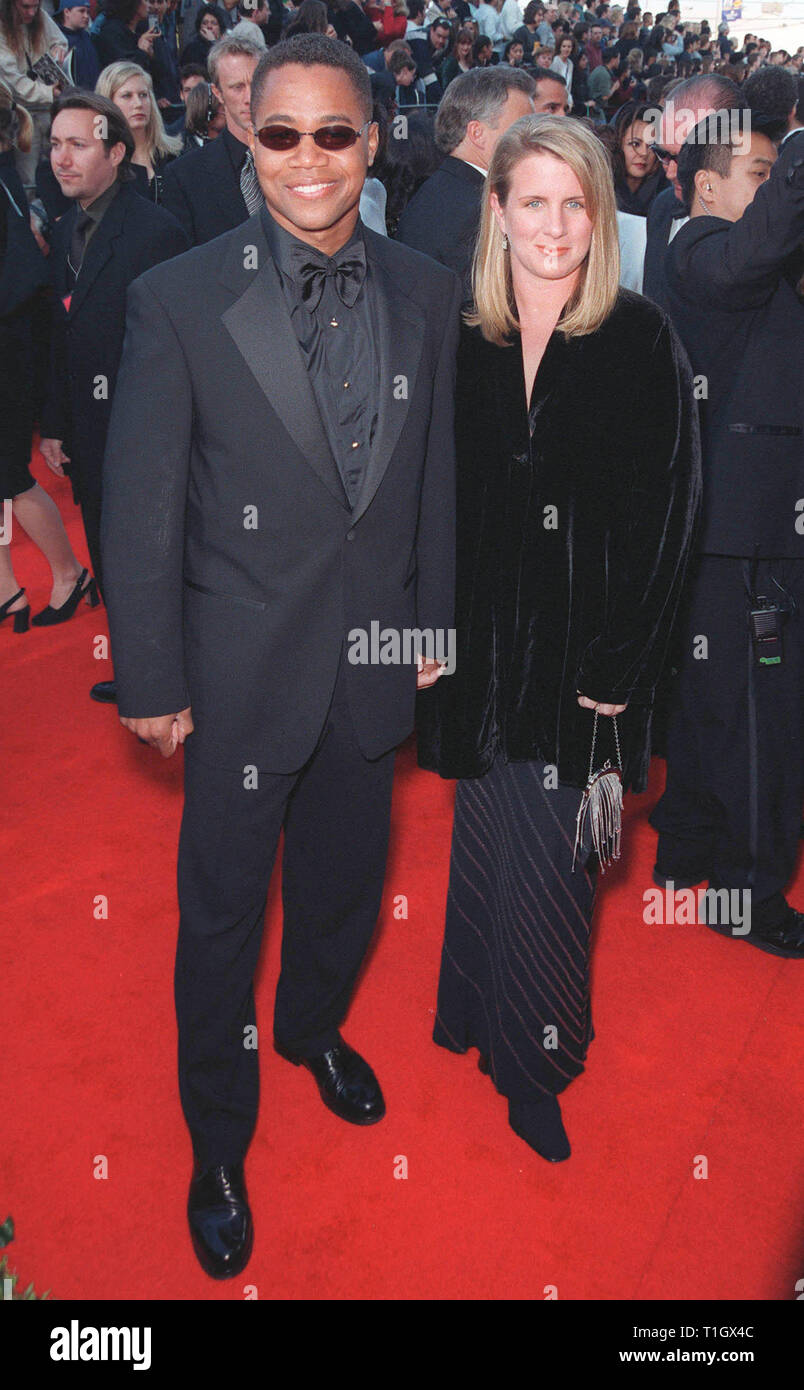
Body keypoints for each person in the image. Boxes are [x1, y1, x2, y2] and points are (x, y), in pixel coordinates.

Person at [100, 31, 462, 1279]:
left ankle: (311, 1032)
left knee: (349, 893)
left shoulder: (424, 285)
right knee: (219, 921)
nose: (309, 161)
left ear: (375, 142)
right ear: (247, 139)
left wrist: (432, 627)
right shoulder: (180, 295)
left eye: (336, 134)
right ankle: (218, 1139)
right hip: (240, 673)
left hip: (371, 666)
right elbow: (138, 504)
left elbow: (437, 484)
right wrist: (148, 677)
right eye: (281, 134)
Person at [415, 112, 701, 1162]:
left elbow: (671, 513)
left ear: (601, 215)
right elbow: (424, 501)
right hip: (481, 655)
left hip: (586, 669)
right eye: (530, 201)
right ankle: (470, 1014)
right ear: (495, 210)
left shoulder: (639, 337)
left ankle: (535, 1064)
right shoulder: (459, 337)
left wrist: (622, 672)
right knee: (486, 838)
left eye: (573, 203)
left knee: (558, 866)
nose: (552, 224)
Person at [650, 113, 804, 958]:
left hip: (747, 536)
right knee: (761, 720)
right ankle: (749, 896)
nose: (775, 190)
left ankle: (688, 851)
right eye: (760, 173)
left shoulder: (755, 265)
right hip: (747, 540)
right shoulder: (700, 244)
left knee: (712, 707)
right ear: (708, 185)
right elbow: (763, 239)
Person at [38, 92, 187, 688]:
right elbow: (58, 334)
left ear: (116, 151)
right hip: (87, 434)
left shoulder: (157, 232)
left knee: (154, 556)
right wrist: (54, 423)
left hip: (145, 433)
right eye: (53, 144)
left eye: (77, 145)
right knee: (105, 545)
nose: (60, 158)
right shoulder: (62, 229)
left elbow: (176, 345)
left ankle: (174, 673)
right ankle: (136, 670)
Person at [0, 79, 88, 635]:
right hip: (14, 334)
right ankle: (7, 589)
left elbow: (25, 276)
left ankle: (69, 573)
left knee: (9, 472)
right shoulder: (7, 171)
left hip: (11, 346)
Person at [397, 65, 535, 287]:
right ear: (477, 134)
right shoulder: (475, 212)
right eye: (522, 130)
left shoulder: (440, 191)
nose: (533, 143)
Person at [160, 31, 261, 244]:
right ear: (218, 93)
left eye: (256, 84)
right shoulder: (184, 177)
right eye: (237, 87)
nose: (249, 97)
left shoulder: (296, 159)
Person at [0, 0, 66, 197]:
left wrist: (58, 51)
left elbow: (59, 40)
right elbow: (13, 80)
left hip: (49, 110)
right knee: (29, 180)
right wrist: (47, 93)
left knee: (57, 171)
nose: (31, 12)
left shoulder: (41, 17)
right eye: (25, 7)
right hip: (22, 115)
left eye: (35, 6)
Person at [96, 61, 182, 203]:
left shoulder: (174, 156)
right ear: (107, 103)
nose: (138, 104)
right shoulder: (101, 166)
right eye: (127, 96)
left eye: (143, 95)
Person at [611, 98, 665, 214]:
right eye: (635, 144)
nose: (644, 153)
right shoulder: (600, 190)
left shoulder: (666, 197)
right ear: (618, 144)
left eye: (652, 145)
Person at [54, 0, 99, 88]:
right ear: (67, 12)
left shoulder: (86, 36)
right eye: (81, 11)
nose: (86, 16)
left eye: (88, 12)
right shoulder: (56, 39)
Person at [179, 3, 222, 67]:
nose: (209, 26)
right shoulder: (192, 50)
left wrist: (213, 42)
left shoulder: (223, 47)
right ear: (199, 27)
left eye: (214, 23)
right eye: (205, 23)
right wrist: (211, 42)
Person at [550, 31, 573, 106]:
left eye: (569, 47)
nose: (566, 49)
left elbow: (569, 86)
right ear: (559, 47)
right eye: (564, 46)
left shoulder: (570, 64)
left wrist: (569, 100)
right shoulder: (555, 61)